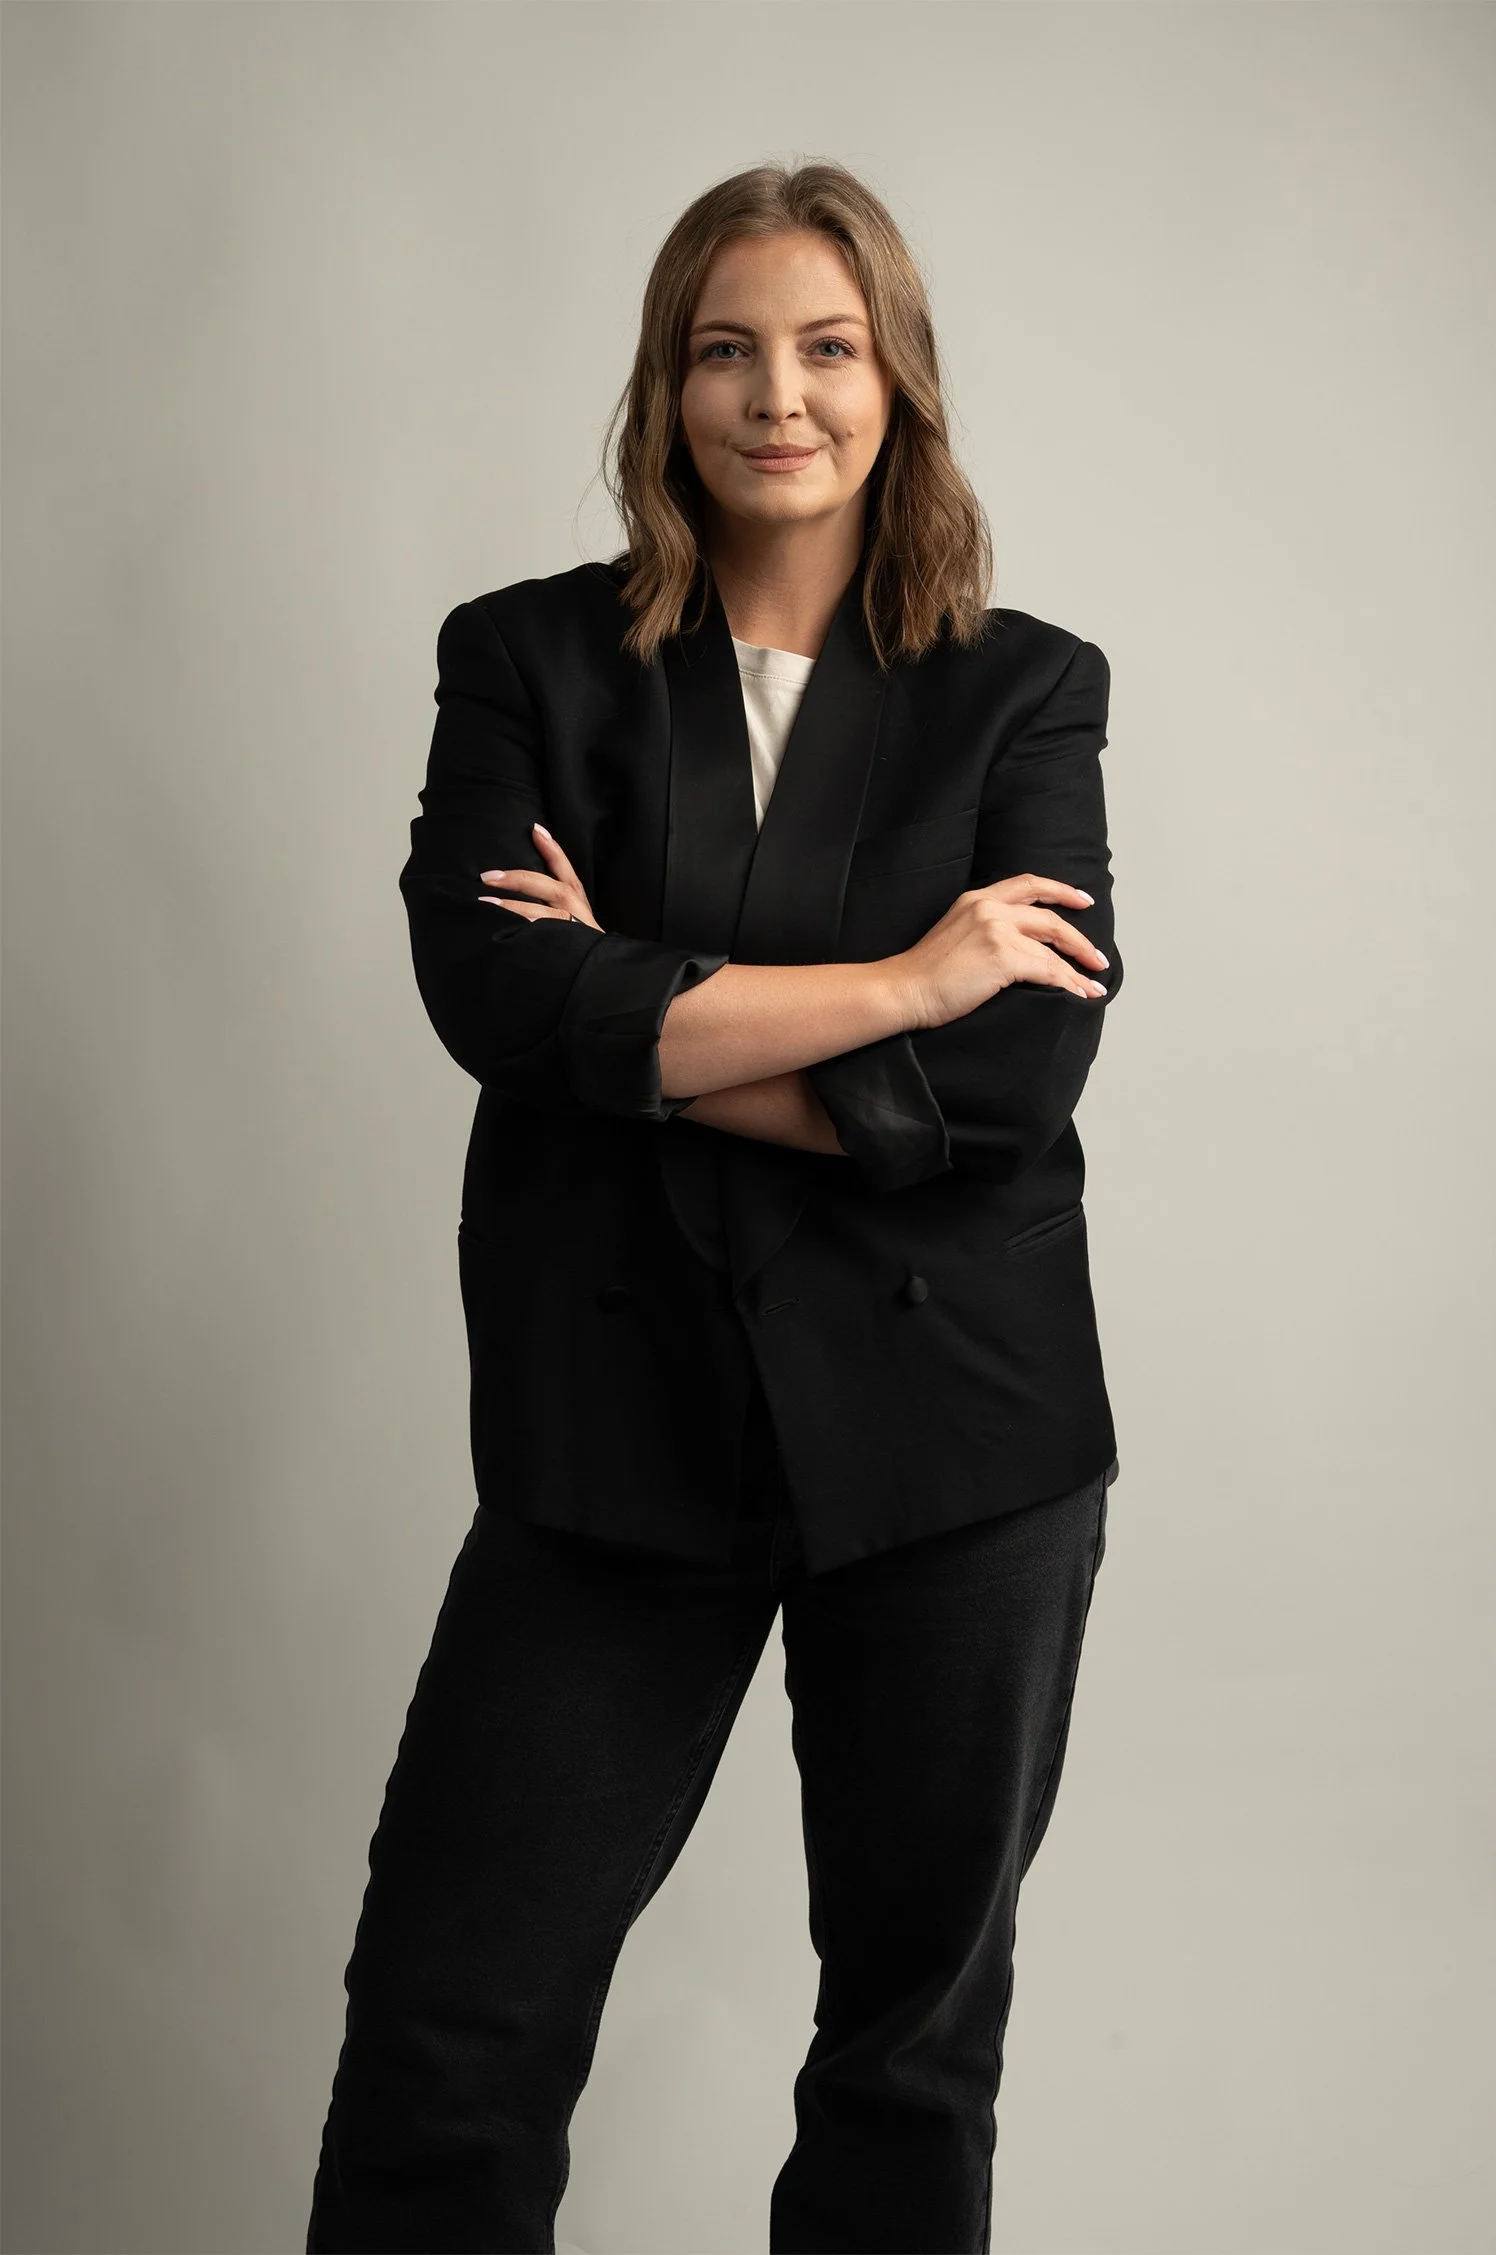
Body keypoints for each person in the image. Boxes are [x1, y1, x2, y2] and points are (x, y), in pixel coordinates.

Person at [306, 158, 1123, 2255]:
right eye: (726, 347)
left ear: (897, 379)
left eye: (829, 346)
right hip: (615, 1438)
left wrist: (642, 1006)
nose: (780, 393)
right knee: (447, 2032)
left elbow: (1006, 1087)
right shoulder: (523, 658)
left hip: (958, 1450)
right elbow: (495, 995)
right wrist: (903, 983)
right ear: (666, 387)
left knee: (906, 2053)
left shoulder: (1024, 687)